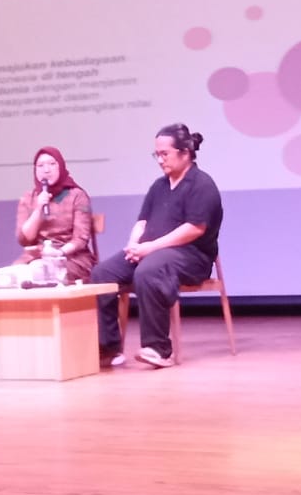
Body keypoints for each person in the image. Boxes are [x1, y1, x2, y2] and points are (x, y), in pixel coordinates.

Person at [91, 123, 223, 369]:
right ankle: (108, 348)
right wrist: (133, 245)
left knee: (149, 270)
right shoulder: (159, 186)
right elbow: (142, 221)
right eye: (157, 155)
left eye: (165, 154)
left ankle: (158, 348)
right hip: (150, 251)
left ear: (185, 153)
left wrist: (150, 248)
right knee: (102, 273)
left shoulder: (202, 184)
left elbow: (194, 228)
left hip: (191, 256)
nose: (160, 160)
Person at [14, 146, 97, 283]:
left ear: (61, 166)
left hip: (72, 258)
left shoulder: (77, 195)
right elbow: (24, 240)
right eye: (40, 166)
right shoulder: (28, 198)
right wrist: (38, 209)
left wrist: (59, 253)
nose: (46, 170)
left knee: (44, 274)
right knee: (11, 277)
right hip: (36, 258)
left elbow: (80, 239)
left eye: (52, 164)